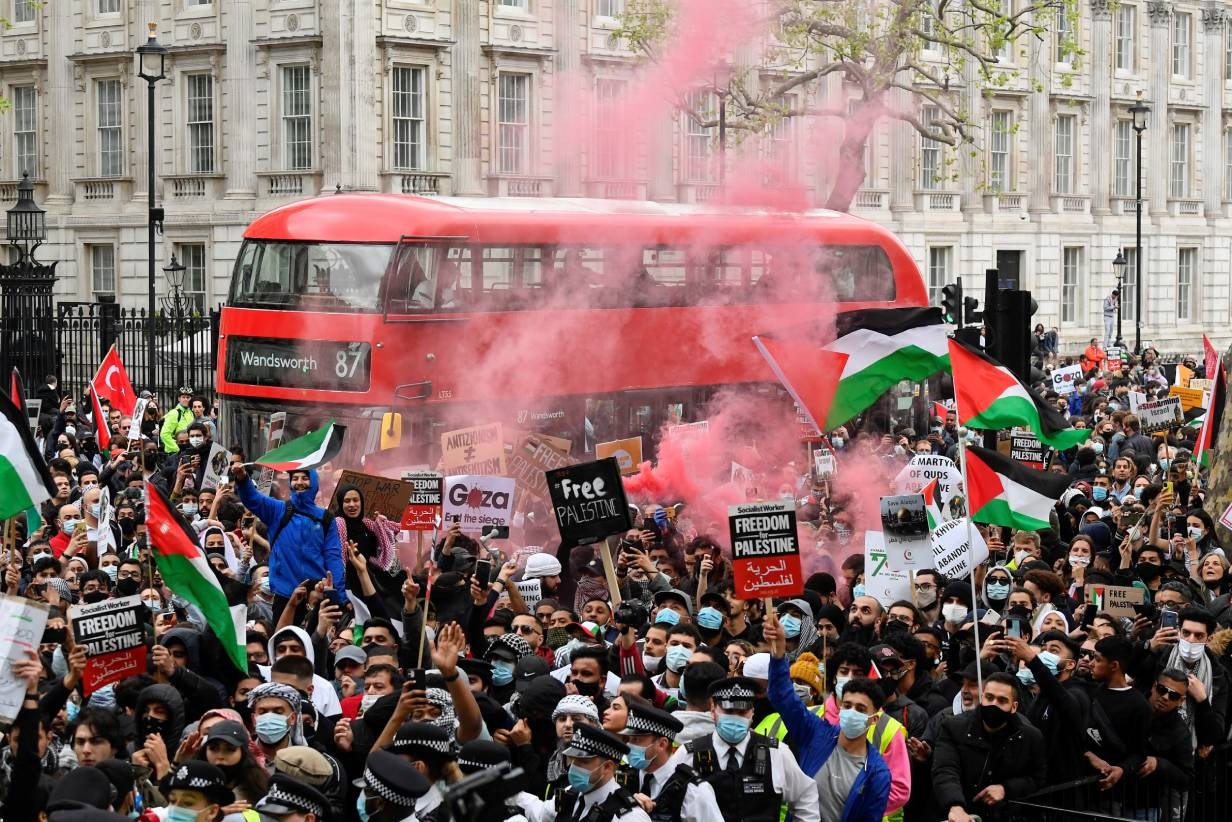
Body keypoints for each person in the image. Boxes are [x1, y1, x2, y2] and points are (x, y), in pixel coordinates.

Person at [764, 615, 891, 822]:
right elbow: (782, 696)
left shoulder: (877, 773)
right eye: (847, 706)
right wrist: (778, 654)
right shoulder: (815, 733)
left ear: (874, 719)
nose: (851, 712)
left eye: (860, 709)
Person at [670, 676, 820, 822]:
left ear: (752, 712)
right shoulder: (689, 754)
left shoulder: (776, 753)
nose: (735, 718)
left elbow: (805, 795)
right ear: (713, 709)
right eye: (728, 712)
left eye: (742, 713)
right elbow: (666, 801)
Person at [232, 463, 347, 616]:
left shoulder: (326, 518)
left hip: (315, 595)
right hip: (284, 595)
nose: (299, 482)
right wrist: (242, 478)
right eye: (295, 478)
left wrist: (339, 596)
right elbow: (253, 499)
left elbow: (333, 558)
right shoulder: (277, 510)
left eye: (305, 478)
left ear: (313, 482)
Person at [931, 672, 1045, 822]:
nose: (993, 704)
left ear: (1013, 706)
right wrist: (955, 806)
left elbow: (1037, 778)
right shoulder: (953, 727)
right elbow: (945, 769)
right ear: (982, 697)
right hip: (964, 813)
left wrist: (1005, 789)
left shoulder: (1030, 737)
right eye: (989, 697)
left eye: (1002, 700)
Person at [616, 701, 723, 822]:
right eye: (628, 740)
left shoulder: (694, 791)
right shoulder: (622, 781)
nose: (630, 745)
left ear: (662, 744)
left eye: (636, 740)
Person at [531, 722, 651, 821]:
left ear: (607, 767)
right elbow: (541, 814)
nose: (574, 767)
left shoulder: (630, 817)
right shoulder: (570, 793)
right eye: (574, 759)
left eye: (583, 762)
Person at [160, 388, 197, 454]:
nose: (186, 399)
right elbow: (164, 434)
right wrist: (177, 449)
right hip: (174, 452)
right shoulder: (174, 413)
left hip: (188, 450)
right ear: (179, 399)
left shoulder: (191, 412)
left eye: (188, 397)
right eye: (183, 397)